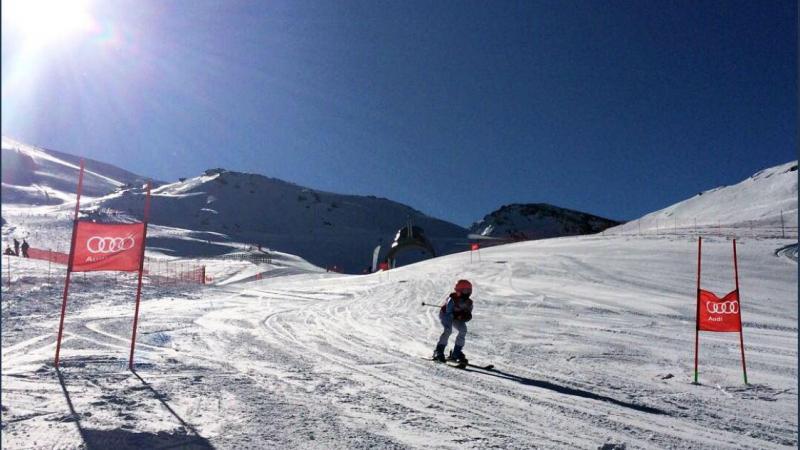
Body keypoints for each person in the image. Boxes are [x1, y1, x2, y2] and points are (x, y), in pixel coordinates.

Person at [433, 279, 474, 364]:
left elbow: (468, 314)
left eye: (469, 291)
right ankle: (439, 351)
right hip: (445, 315)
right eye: (465, 291)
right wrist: (458, 315)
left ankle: (456, 352)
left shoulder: (469, 302)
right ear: (459, 291)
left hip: (456, 317)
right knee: (448, 330)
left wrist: (465, 316)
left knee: (463, 330)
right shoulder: (452, 299)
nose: (467, 293)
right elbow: (448, 312)